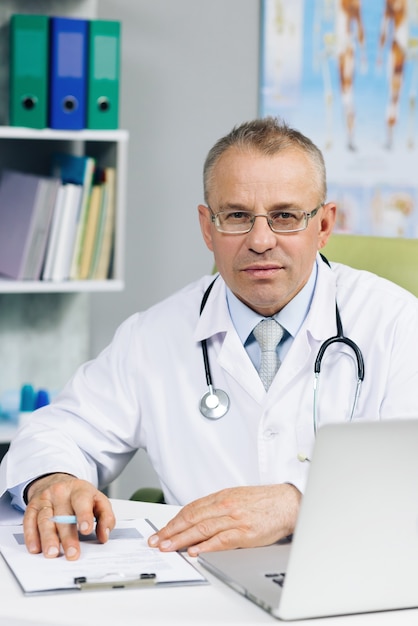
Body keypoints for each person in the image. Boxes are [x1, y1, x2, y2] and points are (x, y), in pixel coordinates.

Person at [2, 116, 418, 562]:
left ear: (323, 226)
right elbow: (61, 430)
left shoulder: (395, 324)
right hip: (200, 581)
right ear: (207, 227)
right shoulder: (152, 335)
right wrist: (53, 481)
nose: (261, 240)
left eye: (285, 216)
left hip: (354, 574)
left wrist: (299, 502)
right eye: (237, 216)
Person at [335, 0, 367, 150]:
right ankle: (348, 137)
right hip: (339, 50)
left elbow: (359, 26)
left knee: (348, 96)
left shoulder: (354, 3)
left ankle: (350, 137)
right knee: (344, 96)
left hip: (346, 50)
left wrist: (363, 56)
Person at [376, 0, 409, 149]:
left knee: (397, 95)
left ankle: (392, 136)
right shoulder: (390, 3)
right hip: (397, 50)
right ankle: (390, 136)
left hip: (402, 50)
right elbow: (384, 27)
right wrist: (380, 55)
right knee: (394, 95)